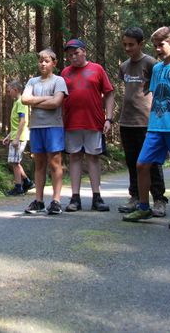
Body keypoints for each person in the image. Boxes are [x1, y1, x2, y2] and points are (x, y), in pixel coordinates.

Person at [122, 26, 170, 229]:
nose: (157, 49)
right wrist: (153, 120)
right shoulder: (157, 69)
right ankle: (144, 207)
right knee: (142, 164)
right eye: (155, 45)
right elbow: (155, 96)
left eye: (161, 45)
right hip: (155, 127)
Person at [118, 28, 168, 217]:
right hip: (127, 120)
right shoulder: (124, 66)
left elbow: (160, 90)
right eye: (125, 44)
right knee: (132, 162)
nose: (127, 48)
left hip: (147, 121)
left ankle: (159, 199)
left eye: (131, 44)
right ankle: (136, 196)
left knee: (151, 162)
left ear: (141, 44)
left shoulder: (151, 63)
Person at [61, 39, 114, 213]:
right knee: (74, 157)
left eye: (76, 53)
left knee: (93, 158)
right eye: (70, 55)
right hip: (71, 122)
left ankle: (97, 197)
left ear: (84, 51)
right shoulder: (65, 72)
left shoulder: (97, 69)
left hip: (94, 121)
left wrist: (109, 118)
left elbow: (109, 93)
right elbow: (60, 98)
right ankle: (75, 198)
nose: (73, 57)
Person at [21, 48, 68, 215]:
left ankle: (56, 201)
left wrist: (35, 102)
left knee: (55, 163)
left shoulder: (59, 81)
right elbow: (24, 99)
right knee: (39, 164)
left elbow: (56, 103)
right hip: (36, 127)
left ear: (54, 63)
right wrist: (46, 98)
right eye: (40, 61)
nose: (43, 64)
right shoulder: (32, 82)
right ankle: (39, 201)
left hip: (53, 127)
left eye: (46, 61)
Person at [2, 80, 33, 196]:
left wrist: (16, 138)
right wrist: (8, 136)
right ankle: (27, 182)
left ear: (15, 90)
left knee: (14, 162)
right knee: (15, 162)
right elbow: (15, 124)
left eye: (9, 91)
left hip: (19, 138)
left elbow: (22, 121)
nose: (8, 93)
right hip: (16, 136)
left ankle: (18, 188)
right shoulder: (17, 102)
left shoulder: (21, 102)